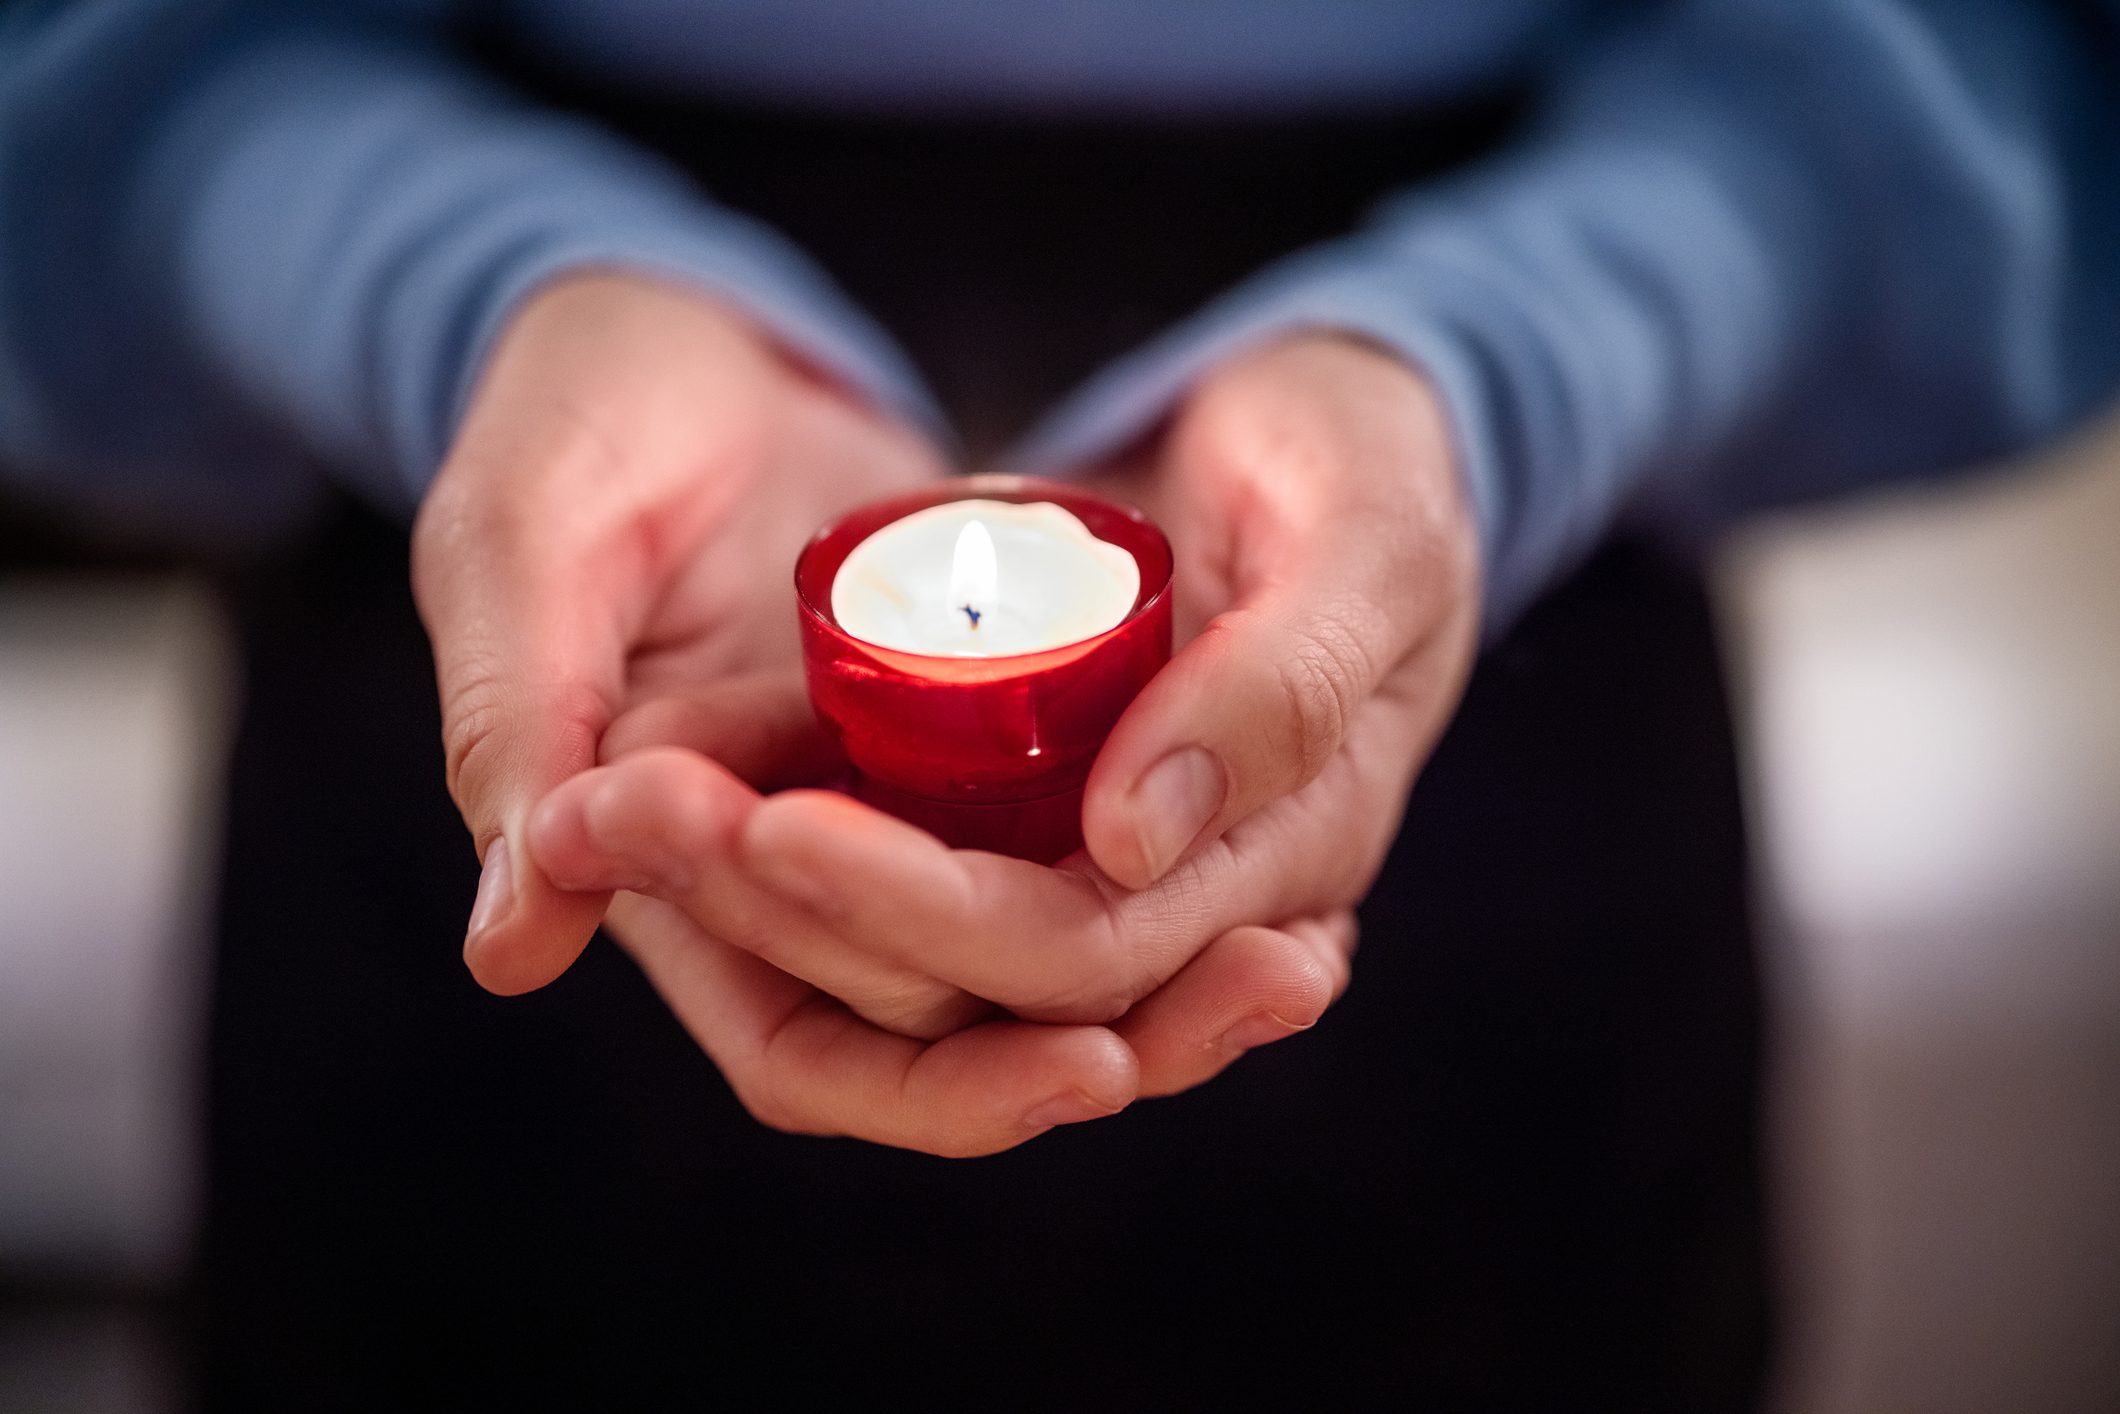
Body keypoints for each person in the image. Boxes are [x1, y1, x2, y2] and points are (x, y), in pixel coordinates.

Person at [3, 0, 2117, 1405]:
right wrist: (452, 287)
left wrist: (1501, 368)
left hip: (1470, 649)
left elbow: (2009, 70)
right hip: (553, 580)